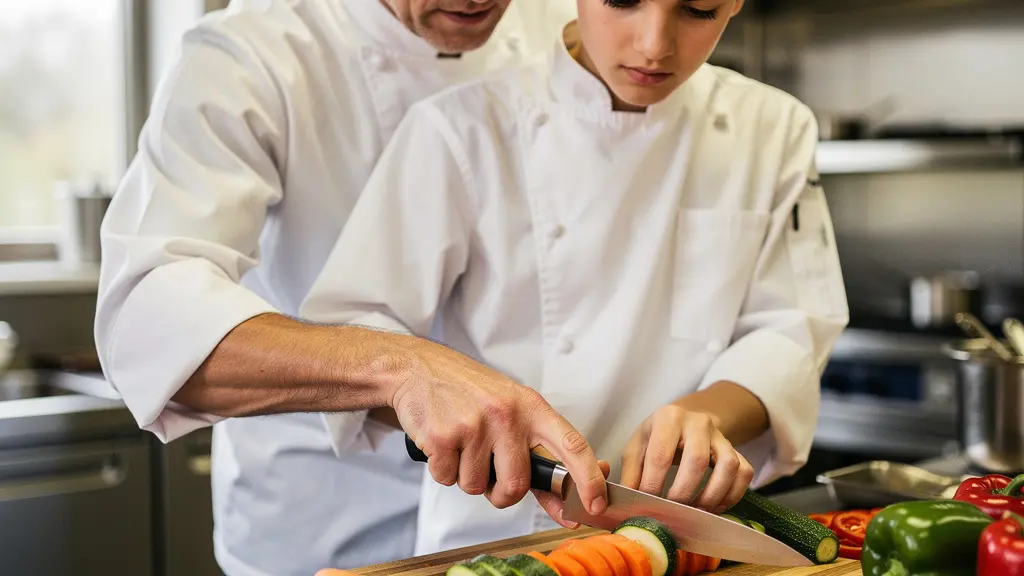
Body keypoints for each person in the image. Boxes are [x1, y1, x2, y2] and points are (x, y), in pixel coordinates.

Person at [299, 0, 851, 558]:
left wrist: (707, 412)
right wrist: (463, 418)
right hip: (498, 536)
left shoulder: (772, 128)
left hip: (692, 539)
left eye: (698, 9)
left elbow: (789, 331)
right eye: (623, 2)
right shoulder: (460, 128)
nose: (655, 44)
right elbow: (355, 331)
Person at [93, 1, 614, 575]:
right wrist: (401, 368)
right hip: (323, 523)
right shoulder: (254, 51)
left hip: (505, 524)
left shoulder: (560, 30)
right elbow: (143, 320)